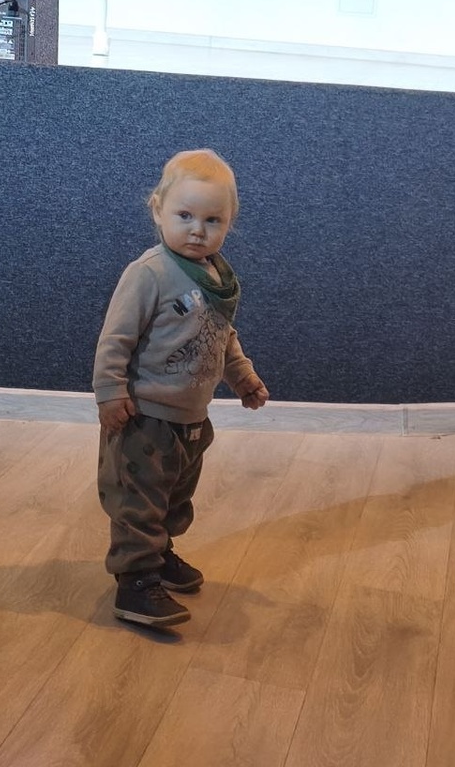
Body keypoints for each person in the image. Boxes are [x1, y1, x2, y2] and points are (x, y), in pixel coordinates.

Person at [92, 148, 269, 628]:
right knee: (139, 499)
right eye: (185, 216)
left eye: (213, 220)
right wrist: (110, 392)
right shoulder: (149, 272)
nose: (197, 230)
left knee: (173, 496)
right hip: (145, 415)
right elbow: (115, 339)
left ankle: (159, 553)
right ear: (158, 210)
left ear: (229, 223)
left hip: (190, 417)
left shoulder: (217, 277)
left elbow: (221, 335)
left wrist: (243, 376)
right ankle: (135, 582)